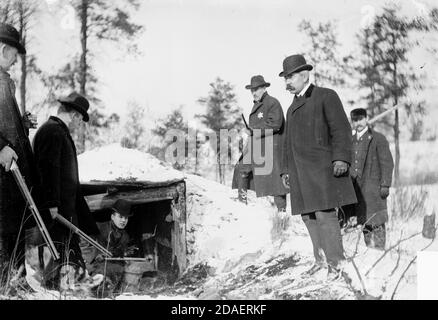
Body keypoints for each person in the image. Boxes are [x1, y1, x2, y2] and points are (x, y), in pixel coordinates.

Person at [279, 54, 357, 280]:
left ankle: (336, 264)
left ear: (304, 75)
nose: (287, 82)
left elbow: (341, 130)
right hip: (300, 173)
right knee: (308, 217)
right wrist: (285, 170)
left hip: (322, 171)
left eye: (290, 77)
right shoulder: (291, 107)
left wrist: (341, 158)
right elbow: (287, 143)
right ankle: (320, 260)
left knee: (325, 215)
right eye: (285, 78)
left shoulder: (326, 96)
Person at [33, 92, 99, 290]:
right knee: (57, 251)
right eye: (80, 121)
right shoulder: (52, 132)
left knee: (68, 250)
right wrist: (51, 203)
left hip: (64, 210)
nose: (79, 125)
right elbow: (47, 169)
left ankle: (78, 283)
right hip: (56, 211)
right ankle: (58, 288)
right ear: (75, 115)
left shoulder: (57, 131)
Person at [0, 23, 38, 281]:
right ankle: (7, 286)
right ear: (3, 49)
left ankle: (17, 282)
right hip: (3, 170)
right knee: (5, 229)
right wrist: (0, 146)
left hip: (11, 173)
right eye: (14, 56)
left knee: (15, 227)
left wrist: (22, 123)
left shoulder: (4, 81)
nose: (15, 62)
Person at [232, 75, 288, 212]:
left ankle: (282, 213)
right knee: (241, 168)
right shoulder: (256, 105)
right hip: (256, 145)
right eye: (252, 90)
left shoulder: (272, 102)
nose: (254, 92)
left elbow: (276, 124)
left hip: (271, 147)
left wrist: (254, 130)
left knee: (276, 183)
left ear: (264, 88)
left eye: (256, 89)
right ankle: (242, 203)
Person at [342, 108, 394, 250]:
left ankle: (380, 252)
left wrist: (385, 184)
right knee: (364, 220)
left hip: (373, 187)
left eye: (360, 119)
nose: (358, 123)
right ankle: (370, 251)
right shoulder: (350, 140)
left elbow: (387, 163)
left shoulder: (378, 138)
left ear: (366, 119)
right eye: (355, 120)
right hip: (357, 189)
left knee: (376, 220)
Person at [90, 199, 137, 296]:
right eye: (120, 217)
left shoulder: (125, 237)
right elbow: (83, 242)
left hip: (114, 273)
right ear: (112, 216)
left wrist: (126, 257)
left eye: (126, 218)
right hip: (95, 270)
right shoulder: (99, 227)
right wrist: (93, 257)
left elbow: (120, 258)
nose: (123, 220)